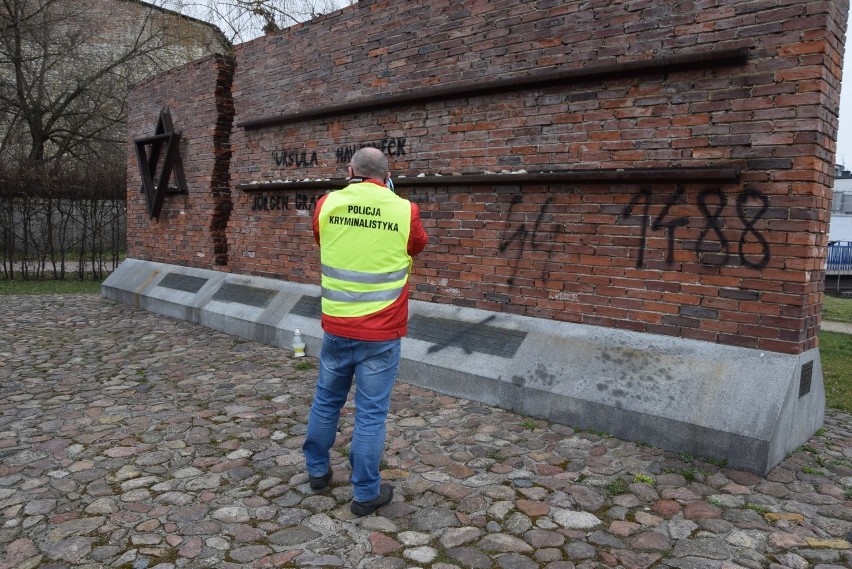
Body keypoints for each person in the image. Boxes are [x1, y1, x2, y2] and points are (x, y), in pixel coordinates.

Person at [302, 146, 429, 516]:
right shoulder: (405, 210)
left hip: (338, 327)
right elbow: (418, 245)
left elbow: (322, 238)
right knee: (371, 414)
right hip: (382, 333)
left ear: (350, 170)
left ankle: (317, 471)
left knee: (326, 401)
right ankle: (365, 493)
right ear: (387, 175)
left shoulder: (327, 204)